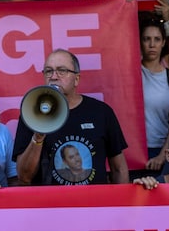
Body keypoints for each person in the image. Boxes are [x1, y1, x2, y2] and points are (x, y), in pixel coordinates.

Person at [13, 49, 129, 185]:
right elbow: (24, 177)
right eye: (49, 71)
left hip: (93, 204)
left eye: (62, 71)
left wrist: (124, 205)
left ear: (76, 79)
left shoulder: (101, 112)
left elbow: (118, 169)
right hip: (51, 204)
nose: (54, 77)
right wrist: (38, 138)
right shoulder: (31, 114)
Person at [139, 18, 169, 174]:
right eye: (147, 39)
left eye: (157, 39)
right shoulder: (129, 73)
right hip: (132, 151)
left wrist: (162, 156)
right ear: (140, 42)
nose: (152, 45)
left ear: (163, 42)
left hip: (162, 149)